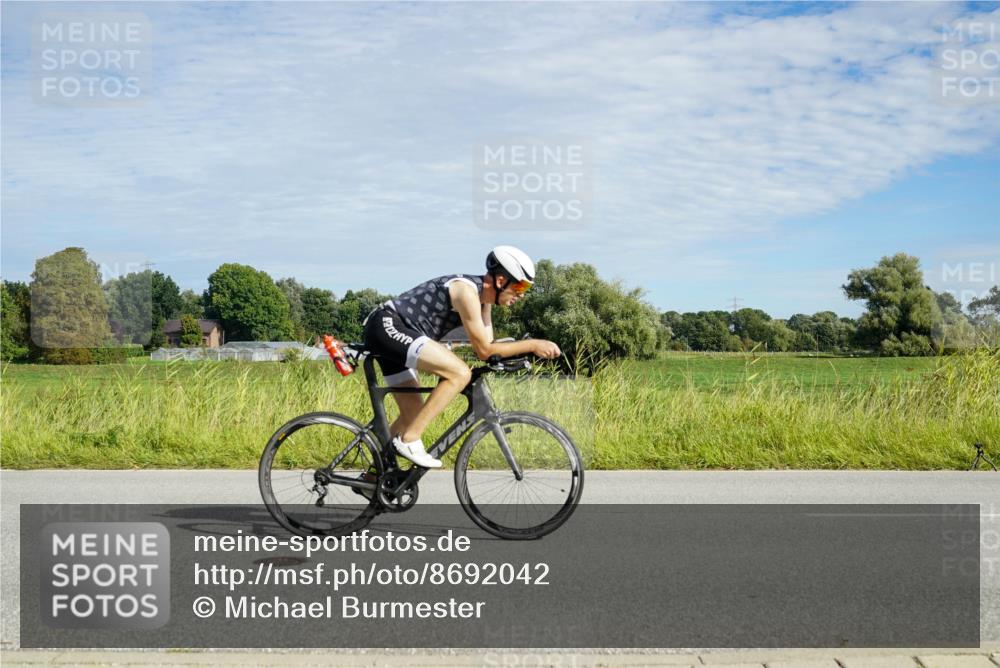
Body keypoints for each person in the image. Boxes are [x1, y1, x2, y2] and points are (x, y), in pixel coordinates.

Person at [361, 246, 561, 468]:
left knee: (413, 413)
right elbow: (485, 350)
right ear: (500, 280)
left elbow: (489, 348)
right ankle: (410, 440)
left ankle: (375, 474)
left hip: (397, 334)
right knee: (459, 373)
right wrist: (533, 344)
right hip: (388, 325)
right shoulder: (466, 292)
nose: (522, 294)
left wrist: (521, 352)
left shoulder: (484, 303)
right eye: (520, 286)